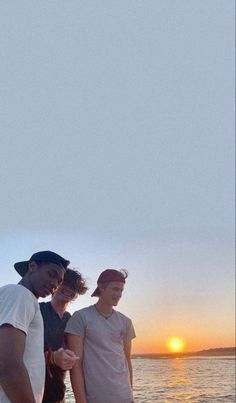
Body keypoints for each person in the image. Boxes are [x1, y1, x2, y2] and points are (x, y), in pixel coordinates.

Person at [0, 250, 70, 403]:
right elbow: (8, 364)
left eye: (59, 282)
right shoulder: (19, 294)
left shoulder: (25, 300)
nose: (54, 284)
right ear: (32, 266)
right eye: (51, 274)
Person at [65, 269, 136, 403]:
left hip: (125, 397)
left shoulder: (126, 322)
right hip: (96, 398)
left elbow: (127, 360)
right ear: (101, 287)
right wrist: (81, 401)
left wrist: (130, 394)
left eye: (121, 290)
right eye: (115, 289)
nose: (119, 294)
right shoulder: (81, 317)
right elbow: (76, 364)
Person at [40, 268, 88, 403]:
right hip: (30, 392)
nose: (68, 289)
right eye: (64, 283)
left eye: (73, 287)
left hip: (58, 395)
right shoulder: (36, 310)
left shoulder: (72, 321)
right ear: (56, 284)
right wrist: (52, 357)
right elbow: (15, 353)